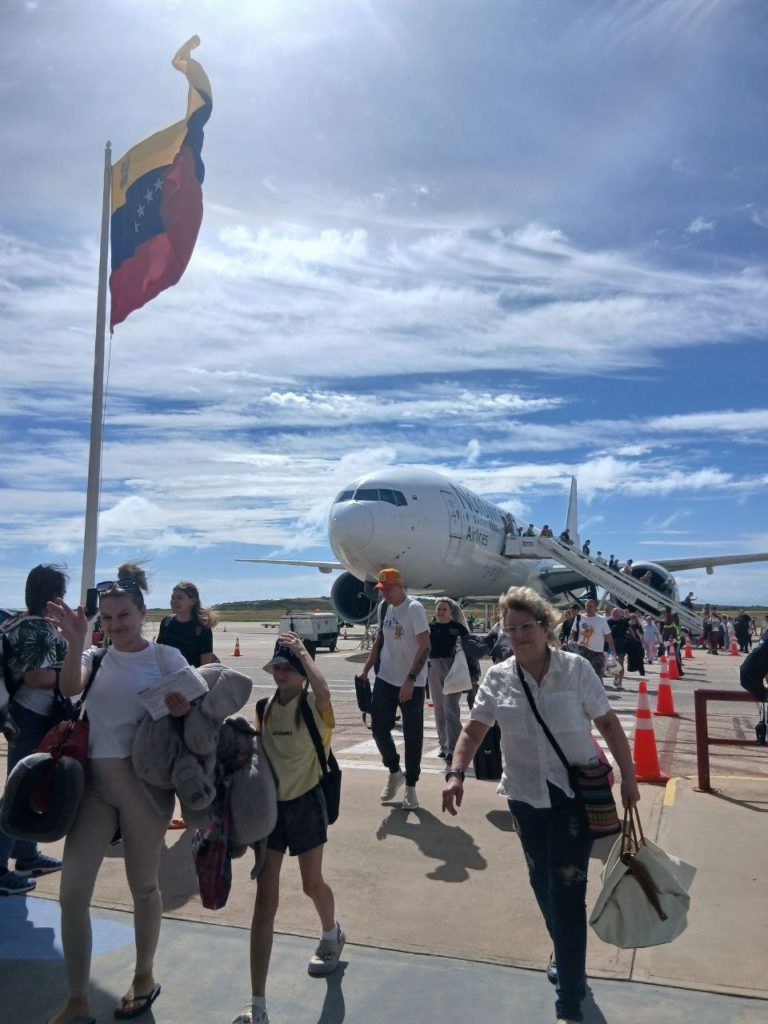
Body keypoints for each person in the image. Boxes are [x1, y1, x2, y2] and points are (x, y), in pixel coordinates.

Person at [442, 586, 639, 1024]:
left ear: (546, 627)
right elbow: (474, 729)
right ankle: (566, 953)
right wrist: (456, 772)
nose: (516, 636)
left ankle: (570, 997)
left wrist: (628, 776)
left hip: (573, 799)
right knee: (541, 884)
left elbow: (607, 721)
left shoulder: (575, 670)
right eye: (509, 629)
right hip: (525, 797)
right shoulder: (498, 677)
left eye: (525, 627)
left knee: (567, 891)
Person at [44, 563, 191, 1024]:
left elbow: (198, 721)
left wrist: (182, 711)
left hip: (145, 788)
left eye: (123, 615)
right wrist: (74, 644)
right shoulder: (96, 657)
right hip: (94, 787)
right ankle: (77, 997)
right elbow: (69, 687)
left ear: (144, 612)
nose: (115, 626)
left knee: (144, 886)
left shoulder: (167, 659)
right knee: (71, 894)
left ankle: (144, 975)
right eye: (106, 619)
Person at [234, 634, 342, 1024]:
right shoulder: (263, 708)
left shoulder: (314, 706)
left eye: (288, 667)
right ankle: (257, 1004)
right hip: (270, 811)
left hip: (307, 803)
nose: (280, 673)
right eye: (277, 667)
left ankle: (331, 933)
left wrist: (301, 653)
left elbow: (324, 689)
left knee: (312, 885)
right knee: (266, 898)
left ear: (301, 673)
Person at [0, 564, 69, 895]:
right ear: (53, 596)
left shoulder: (16, 621)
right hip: (33, 715)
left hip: (17, 713)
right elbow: (37, 677)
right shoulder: (39, 628)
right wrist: (74, 675)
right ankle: (1, 868)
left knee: (24, 786)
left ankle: (26, 854)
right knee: (18, 791)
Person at [359, 568, 430, 810]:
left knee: (413, 735)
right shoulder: (386, 608)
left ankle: (411, 787)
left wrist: (411, 679)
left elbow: (425, 646)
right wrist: (367, 668)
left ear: (401, 587)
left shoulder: (414, 609)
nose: (385, 594)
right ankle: (394, 770)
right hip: (386, 678)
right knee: (378, 727)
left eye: (388, 589)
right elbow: (380, 640)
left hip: (412, 682)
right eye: (382, 590)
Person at [428, 599, 470, 763]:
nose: (440, 612)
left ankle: (454, 745)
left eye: (444, 609)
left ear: (450, 611)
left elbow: (470, 648)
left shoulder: (458, 628)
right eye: (439, 609)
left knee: (450, 706)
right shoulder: (430, 628)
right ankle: (443, 745)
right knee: (439, 707)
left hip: (453, 667)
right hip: (434, 666)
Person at [156, 580, 217, 667]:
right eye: (173, 597)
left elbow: (205, 665)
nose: (174, 601)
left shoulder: (202, 628)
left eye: (179, 598)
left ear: (193, 601)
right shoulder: (166, 622)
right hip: (169, 677)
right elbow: (159, 652)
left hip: (192, 678)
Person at [571, 599, 616, 685]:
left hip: (597, 652)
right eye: (586, 606)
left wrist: (614, 651)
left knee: (598, 677)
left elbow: (608, 637)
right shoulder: (579, 617)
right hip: (582, 650)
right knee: (580, 676)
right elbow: (573, 631)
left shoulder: (601, 620)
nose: (588, 608)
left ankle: (598, 695)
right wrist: (572, 640)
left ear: (595, 607)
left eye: (591, 606)